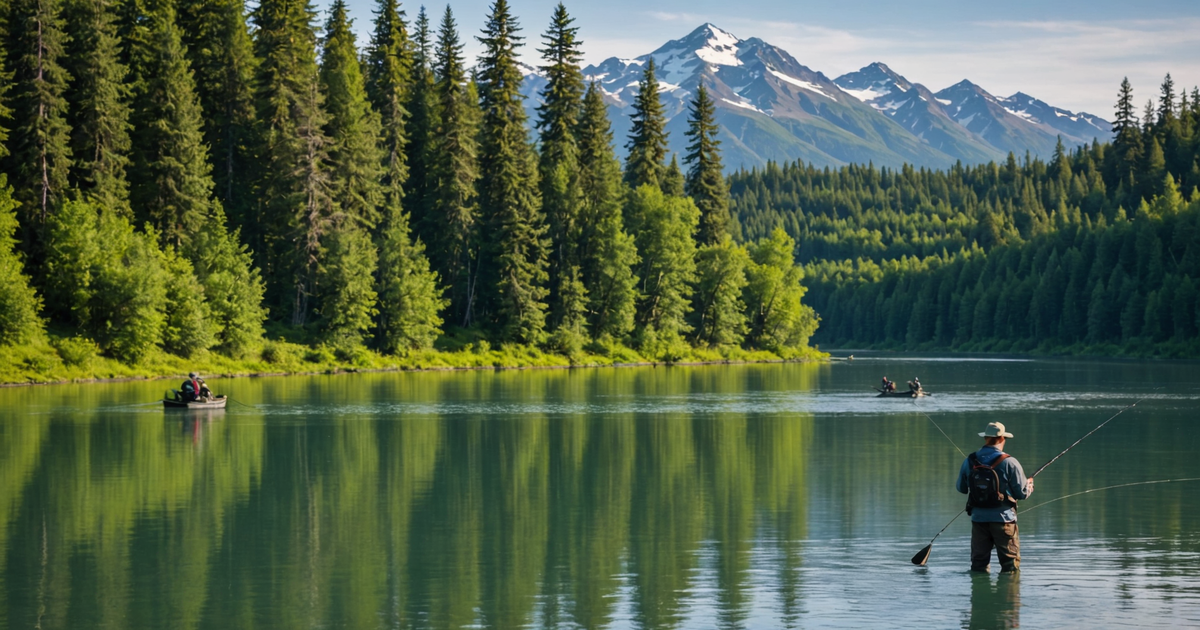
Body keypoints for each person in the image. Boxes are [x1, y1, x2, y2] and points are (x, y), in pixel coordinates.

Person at [957, 422, 1033, 572]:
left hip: (978, 520)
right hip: (1004, 520)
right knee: (1010, 567)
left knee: (978, 565)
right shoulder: (1010, 462)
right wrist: (1029, 485)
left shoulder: (970, 460)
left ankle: (979, 594)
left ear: (985, 438)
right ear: (1002, 439)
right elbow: (1021, 494)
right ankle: (1009, 592)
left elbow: (961, 488)